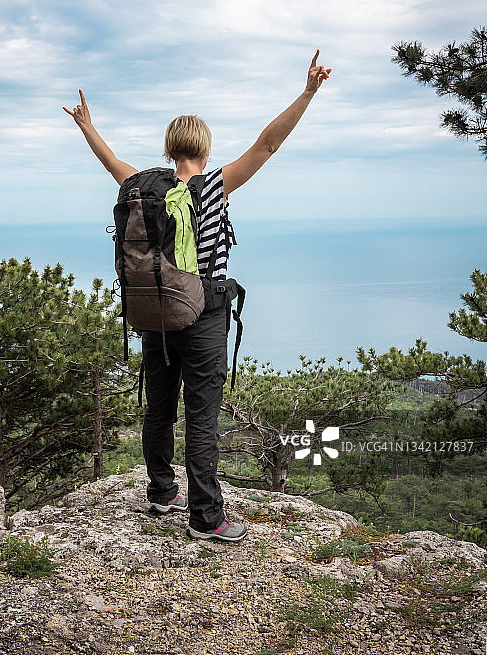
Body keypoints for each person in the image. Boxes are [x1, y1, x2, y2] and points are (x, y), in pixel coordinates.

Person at [63, 50, 331, 542]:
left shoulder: (142, 185)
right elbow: (267, 144)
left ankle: (162, 492)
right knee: (201, 416)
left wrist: (86, 126)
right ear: (205, 149)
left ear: (170, 149)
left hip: (156, 310)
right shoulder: (212, 186)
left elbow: (111, 163)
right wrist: (308, 93)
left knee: (160, 407)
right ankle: (207, 518)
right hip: (204, 313)